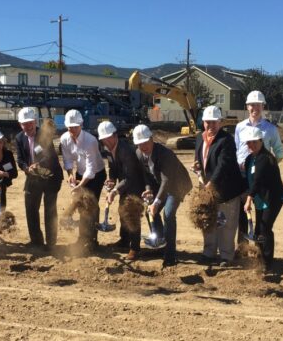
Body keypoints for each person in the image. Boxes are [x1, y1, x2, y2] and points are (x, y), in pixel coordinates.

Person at [193, 105, 246, 267]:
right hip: (208, 190)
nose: (211, 126)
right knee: (208, 221)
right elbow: (201, 159)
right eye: (208, 122)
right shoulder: (200, 138)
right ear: (203, 123)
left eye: (214, 123)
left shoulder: (226, 140)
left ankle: (226, 255)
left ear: (220, 123)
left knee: (226, 224)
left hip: (227, 190)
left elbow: (224, 165)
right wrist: (197, 167)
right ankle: (209, 252)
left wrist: (211, 183)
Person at [135, 124, 193, 267]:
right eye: (139, 144)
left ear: (151, 139)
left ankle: (170, 255)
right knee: (150, 210)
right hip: (160, 184)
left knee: (168, 214)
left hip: (177, 184)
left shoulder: (166, 154)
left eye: (145, 142)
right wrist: (148, 190)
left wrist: (156, 202)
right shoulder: (139, 154)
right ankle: (159, 243)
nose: (143, 146)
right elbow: (147, 175)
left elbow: (167, 180)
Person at [234, 90, 283, 242]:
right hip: (242, 176)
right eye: (251, 105)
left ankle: (260, 247)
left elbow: (279, 153)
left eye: (258, 105)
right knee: (241, 214)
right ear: (246, 107)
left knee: (261, 214)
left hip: (261, 179)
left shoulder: (271, 129)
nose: (254, 108)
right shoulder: (239, 127)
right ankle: (242, 247)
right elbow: (237, 149)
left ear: (263, 106)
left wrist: (267, 168)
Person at [14, 107, 63, 250]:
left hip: (50, 176)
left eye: (30, 123)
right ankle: (36, 240)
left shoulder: (44, 134)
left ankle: (51, 243)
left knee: (50, 210)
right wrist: (26, 168)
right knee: (30, 208)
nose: (27, 126)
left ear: (35, 121)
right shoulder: (19, 138)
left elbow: (51, 157)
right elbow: (20, 159)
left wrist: (38, 164)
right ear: (20, 124)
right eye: (24, 124)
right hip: (33, 176)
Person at [59, 109, 107, 251]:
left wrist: (80, 185)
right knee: (81, 207)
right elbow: (67, 160)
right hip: (80, 174)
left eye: (75, 127)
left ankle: (92, 240)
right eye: (69, 127)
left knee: (91, 206)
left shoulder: (90, 141)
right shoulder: (64, 139)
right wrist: (70, 174)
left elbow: (91, 170)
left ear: (81, 125)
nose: (72, 130)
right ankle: (82, 239)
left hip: (96, 175)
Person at [242, 126, 283, 273]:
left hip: (273, 197)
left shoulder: (265, 158)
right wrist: (247, 195)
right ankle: (259, 258)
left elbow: (258, 180)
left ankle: (267, 262)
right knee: (258, 230)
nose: (251, 145)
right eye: (249, 143)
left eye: (255, 142)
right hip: (260, 198)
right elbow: (248, 179)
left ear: (261, 141)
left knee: (265, 228)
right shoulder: (250, 158)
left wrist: (249, 198)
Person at [99, 121, 145, 261]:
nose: (105, 142)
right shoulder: (108, 149)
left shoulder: (125, 150)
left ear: (114, 135)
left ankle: (135, 248)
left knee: (131, 215)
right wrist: (111, 180)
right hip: (124, 184)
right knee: (121, 210)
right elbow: (113, 168)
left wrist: (115, 191)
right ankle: (124, 240)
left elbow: (130, 177)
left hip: (136, 184)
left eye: (107, 138)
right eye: (103, 139)